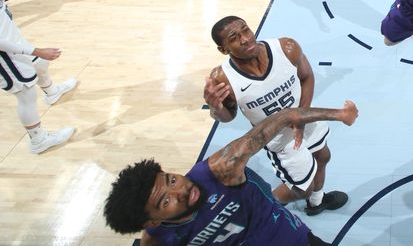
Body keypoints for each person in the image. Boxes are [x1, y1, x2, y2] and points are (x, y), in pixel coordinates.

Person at [104, 102, 358, 245]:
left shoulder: (221, 169)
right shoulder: (157, 239)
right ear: (152, 221)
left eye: (171, 179)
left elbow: (284, 116)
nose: (180, 190)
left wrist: (338, 114)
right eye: (166, 201)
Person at [203, 16, 348, 216]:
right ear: (223, 49)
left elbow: (307, 77)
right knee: (301, 189)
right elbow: (227, 117)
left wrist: (301, 117)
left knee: (323, 156)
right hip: (278, 139)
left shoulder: (286, 48)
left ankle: (317, 203)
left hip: (306, 120)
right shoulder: (223, 78)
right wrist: (215, 107)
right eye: (234, 38)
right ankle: (259, 214)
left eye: (246, 30)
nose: (245, 39)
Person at [1, 0, 76, 154]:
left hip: (15, 43)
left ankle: (52, 91)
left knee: (40, 63)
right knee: (26, 95)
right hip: (5, 57)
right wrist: (37, 51)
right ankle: (38, 140)